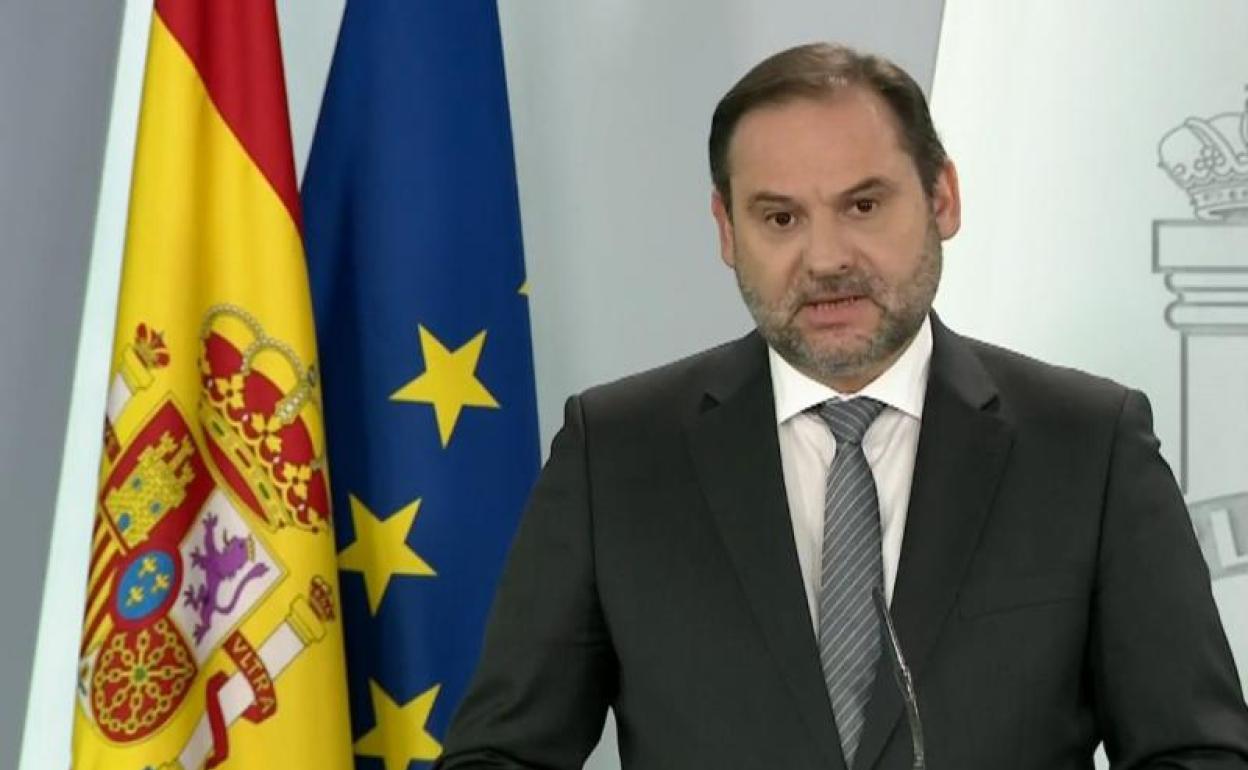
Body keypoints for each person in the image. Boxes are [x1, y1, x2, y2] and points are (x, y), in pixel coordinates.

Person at [435, 43, 1248, 769]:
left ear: (942, 198)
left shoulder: (1088, 446)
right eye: (780, 217)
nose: (825, 259)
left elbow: (1197, 751)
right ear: (726, 229)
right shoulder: (616, 453)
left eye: (863, 206)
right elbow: (500, 756)